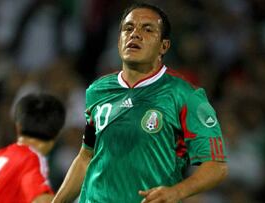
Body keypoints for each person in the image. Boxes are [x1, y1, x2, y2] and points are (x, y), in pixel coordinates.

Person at [52, 3, 228, 203]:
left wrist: (176, 192)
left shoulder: (185, 95)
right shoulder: (98, 91)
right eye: (128, 28)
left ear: (164, 46)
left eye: (148, 29)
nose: (135, 34)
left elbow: (216, 166)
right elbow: (86, 157)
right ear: (119, 42)